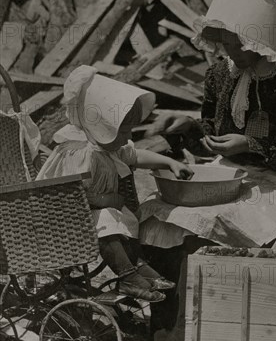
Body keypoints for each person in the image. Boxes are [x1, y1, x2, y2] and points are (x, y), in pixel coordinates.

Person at [147, 0, 276, 187]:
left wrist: (250, 144)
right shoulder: (220, 74)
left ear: (261, 41)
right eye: (227, 44)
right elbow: (211, 134)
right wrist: (188, 126)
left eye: (242, 44)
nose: (233, 52)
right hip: (229, 170)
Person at [37, 65, 193, 302]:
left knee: (125, 216)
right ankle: (128, 276)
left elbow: (136, 155)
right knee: (109, 218)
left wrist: (170, 162)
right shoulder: (80, 152)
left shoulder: (109, 147)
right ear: (101, 128)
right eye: (122, 132)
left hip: (93, 215)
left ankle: (137, 266)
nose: (128, 138)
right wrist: (105, 200)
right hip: (64, 218)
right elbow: (69, 192)